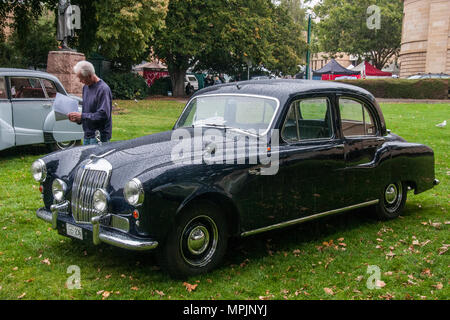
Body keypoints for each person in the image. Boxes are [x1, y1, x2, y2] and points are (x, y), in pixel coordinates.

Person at [68, 60, 113, 145]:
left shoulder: (103, 89)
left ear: (89, 76)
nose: (80, 81)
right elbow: (87, 112)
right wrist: (78, 119)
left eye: (81, 78)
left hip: (99, 136)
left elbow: (103, 115)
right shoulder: (86, 87)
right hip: (87, 135)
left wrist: (82, 116)